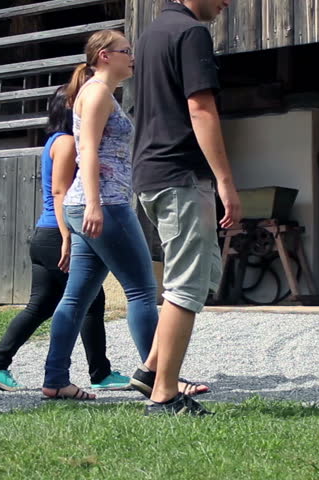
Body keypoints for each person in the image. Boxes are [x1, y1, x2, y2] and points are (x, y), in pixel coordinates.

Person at [0, 86, 130, 392]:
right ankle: (100, 374)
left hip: (48, 234)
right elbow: (61, 192)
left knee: (44, 305)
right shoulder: (65, 143)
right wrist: (67, 237)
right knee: (90, 301)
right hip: (56, 235)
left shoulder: (55, 141)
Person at [131, 0, 241, 415]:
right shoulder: (191, 32)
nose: (226, 3)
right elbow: (200, 108)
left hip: (154, 173)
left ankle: (150, 370)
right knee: (185, 285)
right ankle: (163, 396)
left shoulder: (151, 34)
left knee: (200, 273)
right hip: (179, 174)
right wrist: (226, 183)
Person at [40, 30, 160, 401]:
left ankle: (55, 380)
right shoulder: (95, 94)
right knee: (142, 290)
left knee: (76, 298)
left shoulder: (101, 93)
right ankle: (159, 378)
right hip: (103, 205)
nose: (133, 57)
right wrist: (94, 203)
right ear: (105, 56)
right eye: (127, 51)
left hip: (94, 204)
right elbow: (86, 151)